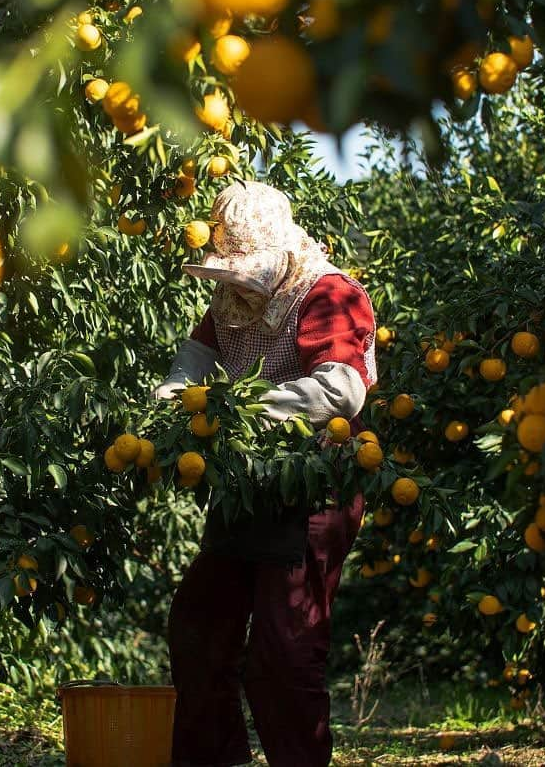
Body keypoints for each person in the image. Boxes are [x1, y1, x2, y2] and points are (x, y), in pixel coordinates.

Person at [153, 180, 377, 767]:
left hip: (312, 489)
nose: (233, 280)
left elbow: (340, 389)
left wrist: (235, 410)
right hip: (245, 484)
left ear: (277, 257)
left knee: (285, 651)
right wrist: (163, 409)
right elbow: (190, 367)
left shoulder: (327, 292)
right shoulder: (229, 301)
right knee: (199, 628)